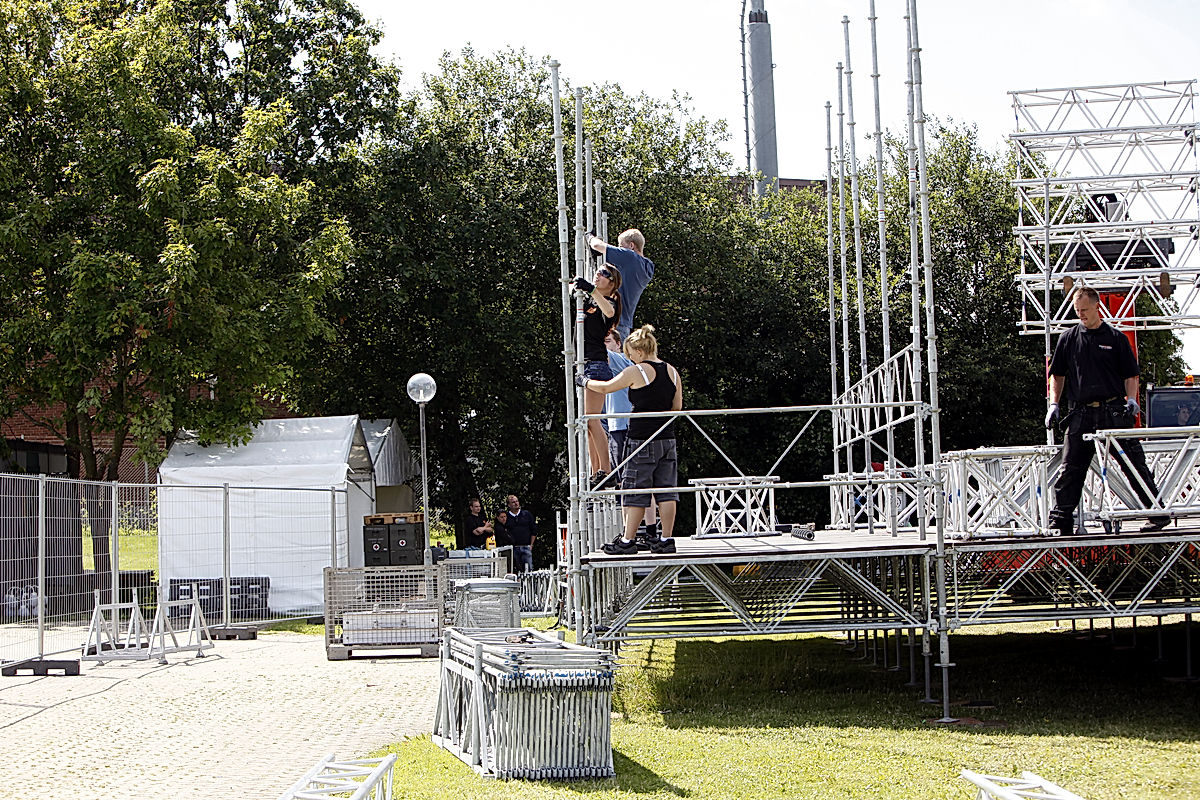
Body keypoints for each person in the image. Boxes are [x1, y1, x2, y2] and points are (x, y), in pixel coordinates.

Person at [1045, 286, 1170, 535]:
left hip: (1113, 410)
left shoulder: (1115, 338)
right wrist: (1054, 404)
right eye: (1077, 310)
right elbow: (1056, 374)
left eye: (1085, 310)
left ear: (1097, 307)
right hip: (1080, 412)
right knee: (1070, 468)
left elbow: (1131, 374)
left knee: (1134, 464)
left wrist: (1132, 399)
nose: (1081, 314)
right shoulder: (1068, 338)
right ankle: (1061, 521)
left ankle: (1156, 513)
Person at [577, 324, 681, 555]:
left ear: (639, 352)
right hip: (667, 438)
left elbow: (606, 388)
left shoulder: (638, 370)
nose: (629, 358)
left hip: (641, 439)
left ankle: (627, 540)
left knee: (635, 489)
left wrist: (584, 382)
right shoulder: (673, 372)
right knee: (667, 490)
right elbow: (677, 406)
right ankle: (666, 538)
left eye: (630, 354)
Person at [604, 329, 659, 543]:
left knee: (633, 482)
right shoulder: (624, 366)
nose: (606, 345)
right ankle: (638, 531)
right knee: (630, 482)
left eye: (609, 341)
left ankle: (635, 533)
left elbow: (598, 353)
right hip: (618, 425)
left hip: (626, 427)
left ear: (619, 345)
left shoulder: (622, 362)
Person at [573, 266, 622, 487]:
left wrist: (592, 290)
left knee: (592, 420)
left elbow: (609, 313)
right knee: (588, 424)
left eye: (605, 274)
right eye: (598, 272)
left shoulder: (608, 303)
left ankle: (607, 469)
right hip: (587, 365)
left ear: (612, 284)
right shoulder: (593, 301)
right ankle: (597, 471)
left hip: (596, 365)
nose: (598, 275)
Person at [584, 229, 654, 340]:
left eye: (621, 246)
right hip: (624, 323)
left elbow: (597, 245)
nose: (619, 249)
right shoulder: (648, 266)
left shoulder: (631, 257)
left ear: (631, 245)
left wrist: (589, 237)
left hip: (612, 321)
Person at [495, 494, 536, 572]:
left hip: (526, 546)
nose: (516, 503)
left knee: (529, 570)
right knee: (514, 570)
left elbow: (533, 530)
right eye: (513, 502)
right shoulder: (506, 517)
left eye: (517, 501)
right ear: (509, 505)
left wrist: (531, 545)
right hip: (512, 548)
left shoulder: (527, 514)